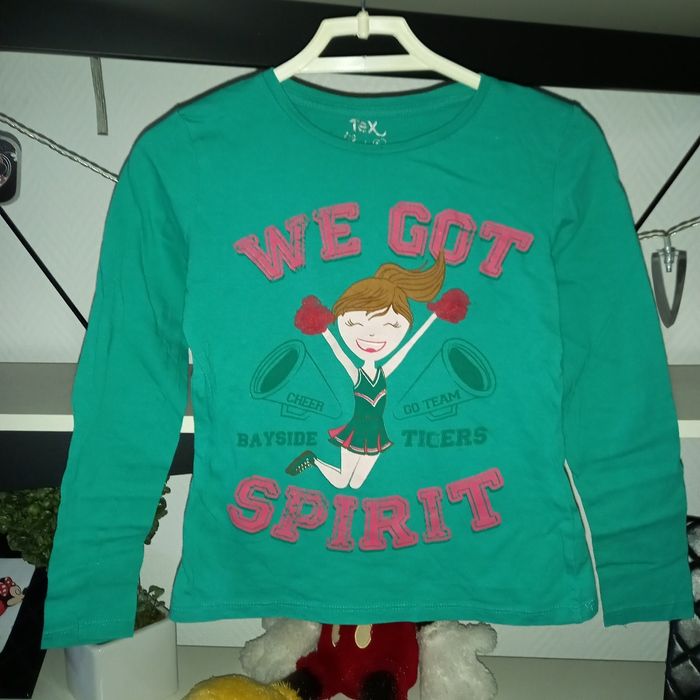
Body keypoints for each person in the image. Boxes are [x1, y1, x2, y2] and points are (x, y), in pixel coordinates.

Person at [287, 249, 468, 489]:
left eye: (391, 325)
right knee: (341, 483)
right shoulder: (357, 375)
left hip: (377, 435)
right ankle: (313, 460)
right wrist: (324, 330)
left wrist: (433, 319)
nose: (372, 334)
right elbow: (340, 354)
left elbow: (407, 349)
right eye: (354, 323)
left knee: (356, 485)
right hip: (355, 431)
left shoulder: (383, 372)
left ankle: (318, 462)